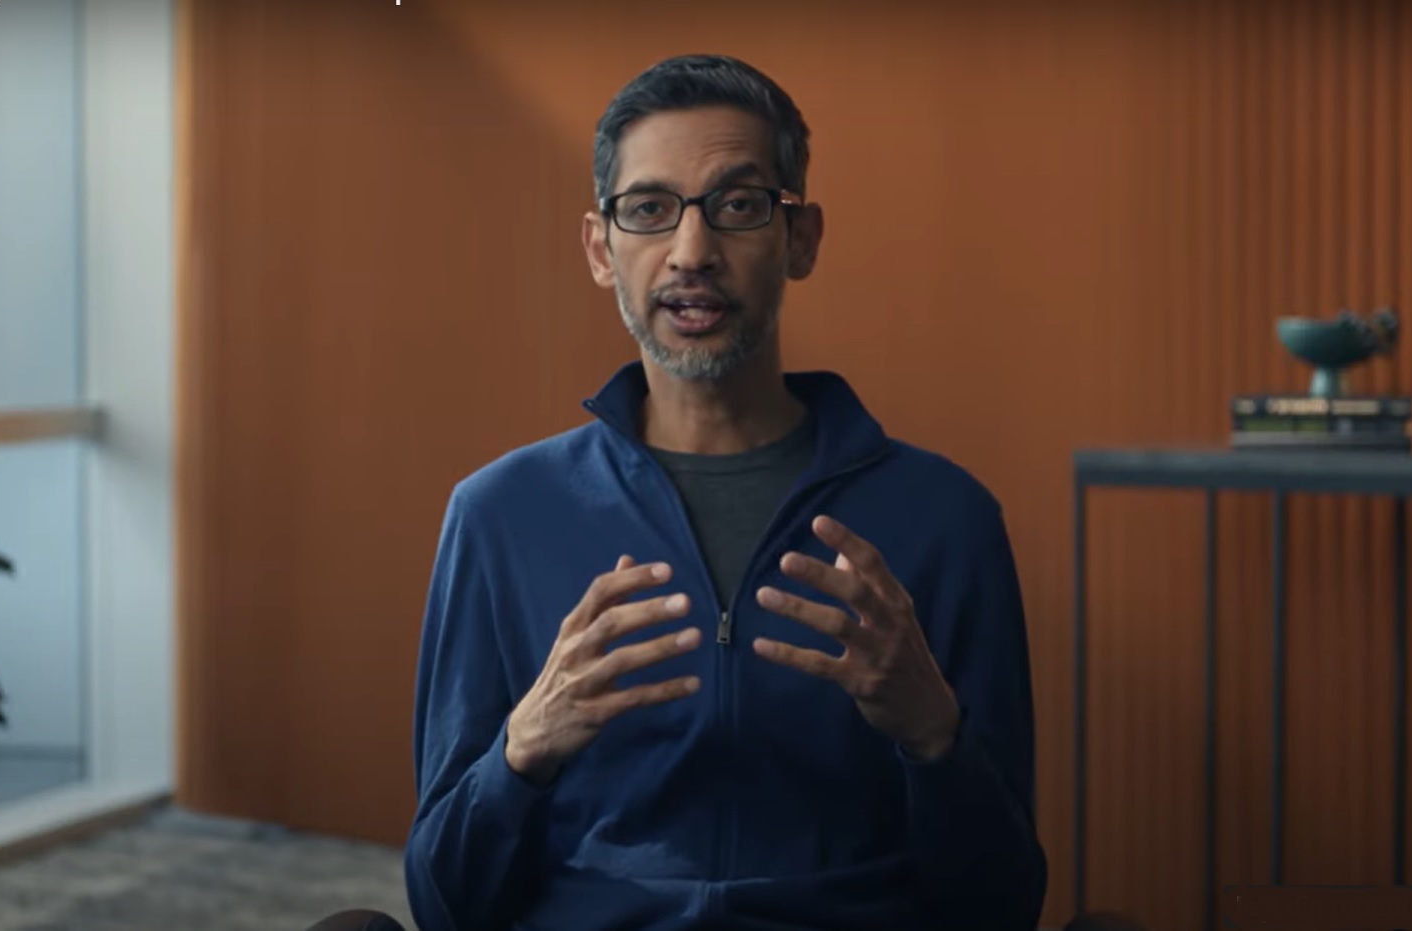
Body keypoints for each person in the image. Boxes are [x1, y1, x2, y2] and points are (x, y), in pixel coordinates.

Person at [400, 53, 1046, 931]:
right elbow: (443, 905)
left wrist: (933, 734)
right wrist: (522, 750)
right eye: (648, 209)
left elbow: (1002, 906)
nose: (692, 252)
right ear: (600, 248)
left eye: (738, 206)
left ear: (800, 238)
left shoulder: (945, 520)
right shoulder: (498, 515)